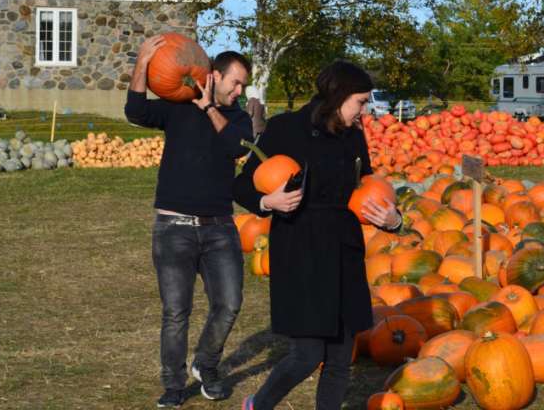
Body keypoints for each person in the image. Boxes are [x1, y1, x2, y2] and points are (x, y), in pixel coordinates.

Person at [233, 60, 402, 410]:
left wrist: (392, 218)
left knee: (341, 357)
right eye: (360, 101)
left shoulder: (353, 135)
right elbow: (241, 185)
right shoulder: (285, 129)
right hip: (300, 251)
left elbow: (366, 187)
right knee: (307, 354)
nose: (364, 110)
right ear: (337, 97)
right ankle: (258, 404)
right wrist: (269, 200)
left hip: (344, 249)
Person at [125, 36, 253, 407]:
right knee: (176, 312)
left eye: (243, 84)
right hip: (174, 227)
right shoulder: (176, 107)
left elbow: (236, 148)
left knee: (228, 303)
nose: (240, 89)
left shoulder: (238, 118)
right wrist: (143, 62)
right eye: (235, 82)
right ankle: (173, 385)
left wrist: (211, 107)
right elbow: (135, 112)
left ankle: (206, 365)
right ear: (215, 75)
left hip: (220, 227)